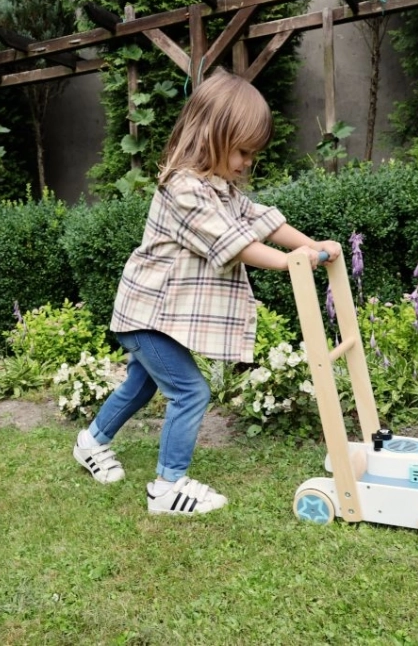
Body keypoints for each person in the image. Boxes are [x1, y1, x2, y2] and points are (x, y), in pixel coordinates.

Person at [72, 68, 341, 516]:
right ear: (211, 135)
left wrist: (311, 246)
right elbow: (233, 243)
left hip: (159, 315)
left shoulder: (220, 188)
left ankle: (90, 442)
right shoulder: (184, 189)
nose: (247, 162)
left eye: (252, 153)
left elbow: (261, 219)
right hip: (146, 314)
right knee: (190, 392)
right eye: (242, 151)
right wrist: (294, 263)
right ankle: (167, 487)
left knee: (140, 387)